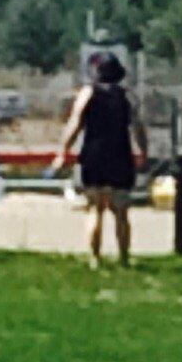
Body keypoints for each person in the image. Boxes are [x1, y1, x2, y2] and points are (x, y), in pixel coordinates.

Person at [52, 54, 147, 267]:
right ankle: (124, 257)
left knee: (95, 209)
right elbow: (138, 127)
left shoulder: (88, 94)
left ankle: (95, 257)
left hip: (93, 155)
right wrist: (143, 150)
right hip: (120, 155)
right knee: (121, 211)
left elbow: (75, 124)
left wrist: (62, 151)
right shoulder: (126, 97)